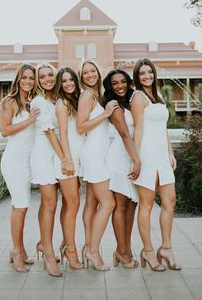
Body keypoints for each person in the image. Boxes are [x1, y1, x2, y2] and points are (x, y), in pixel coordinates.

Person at [131, 58, 181, 271]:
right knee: (147, 204)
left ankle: (166, 248)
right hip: (147, 155)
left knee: (170, 201)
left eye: (149, 72)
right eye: (142, 73)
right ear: (137, 76)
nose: (146, 76)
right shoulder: (138, 97)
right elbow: (139, 130)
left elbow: (164, 128)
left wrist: (170, 153)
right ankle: (148, 250)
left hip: (162, 156)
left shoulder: (158, 96)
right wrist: (136, 159)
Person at [77, 59, 118, 271]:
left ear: (98, 72)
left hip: (100, 152)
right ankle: (93, 251)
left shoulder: (97, 95)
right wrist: (105, 114)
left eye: (93, 70)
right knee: (108, 204)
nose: (90, 74)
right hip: (93, 153)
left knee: (92, 203)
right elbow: (80, 126)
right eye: (86, 73)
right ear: (81, 77)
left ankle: (87, 246)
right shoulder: (86, 95)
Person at [0, 63, 39, 273]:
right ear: (18, 79)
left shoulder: (32, 102)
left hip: (27, 162)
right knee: (21, 206)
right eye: (24, 77)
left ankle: (20, 249)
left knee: (19, 206)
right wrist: (30, 120)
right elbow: (5, 131)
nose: (28, 81)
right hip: (14, 161)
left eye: (31, 78)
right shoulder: (10, 102)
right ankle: (16, 251)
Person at [30, 61, 66, 277]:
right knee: (51, 204)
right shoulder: (39, 101)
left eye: (50, 75)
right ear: (37, 81)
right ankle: (49, 254)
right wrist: (64, 158)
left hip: (56, 153)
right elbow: (49, 132)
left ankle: (43, 243)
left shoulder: (57, 99)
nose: (47, 79)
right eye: (42, 76)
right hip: (45, 155)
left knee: (47, 203)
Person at [103, 69, 141, 269]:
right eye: (115, 83)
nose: (120, 86)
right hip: (119, 158)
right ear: (110, 86)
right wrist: (137, 161)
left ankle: (124, 249)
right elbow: (125, 135)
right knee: (120, 206)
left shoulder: (130, 101)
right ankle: (122, 250)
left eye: (123, 82)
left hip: (132, 156)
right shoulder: (115, 107)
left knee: (132, 205)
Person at [54, 67, 84, 270]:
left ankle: (66, 243)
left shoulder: (77, 100)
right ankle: (71, 250)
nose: (68, 83)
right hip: (67, 159)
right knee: (73, 204)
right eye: (64, 81)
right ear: (60, 84)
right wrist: (67, 159)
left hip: (78, 159)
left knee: (69, 205)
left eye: (71, 79)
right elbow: (62, 134)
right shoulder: (62, 103)